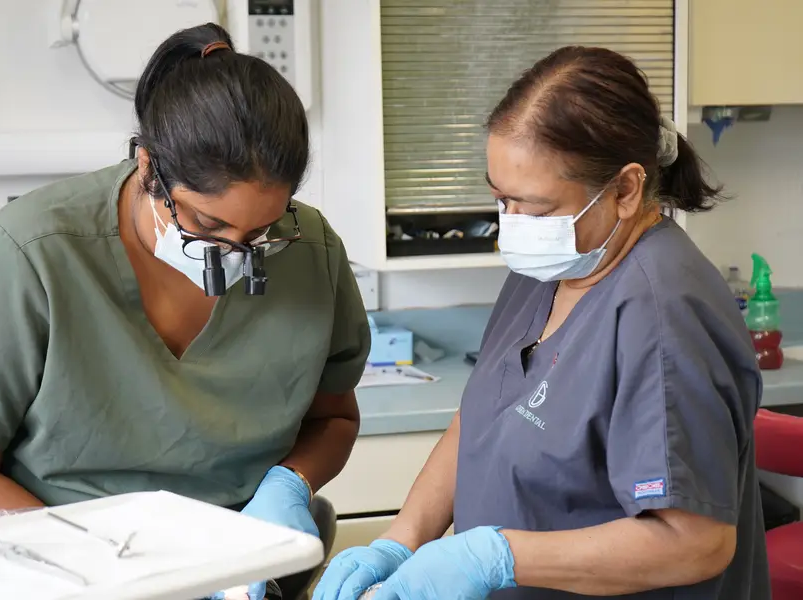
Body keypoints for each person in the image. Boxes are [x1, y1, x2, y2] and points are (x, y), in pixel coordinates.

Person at [0, 23, 369, 600]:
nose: (236, 253)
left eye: (263, 229)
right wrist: (95, 565)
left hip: (232, 572)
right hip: (49, 567)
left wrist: (288, 484)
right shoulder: (29, 256)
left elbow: (333, 420)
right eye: (208, 224)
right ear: (149, 168)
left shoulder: (309, 250)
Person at [314, 46, 769, 600]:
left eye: (535, 206)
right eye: (502, 198)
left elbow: (695, 541)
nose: (514, 224)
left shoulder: (664, 315)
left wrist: (496, 557)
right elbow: (481, 417)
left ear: (625, 190)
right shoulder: (550, 268)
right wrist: (401, 539)